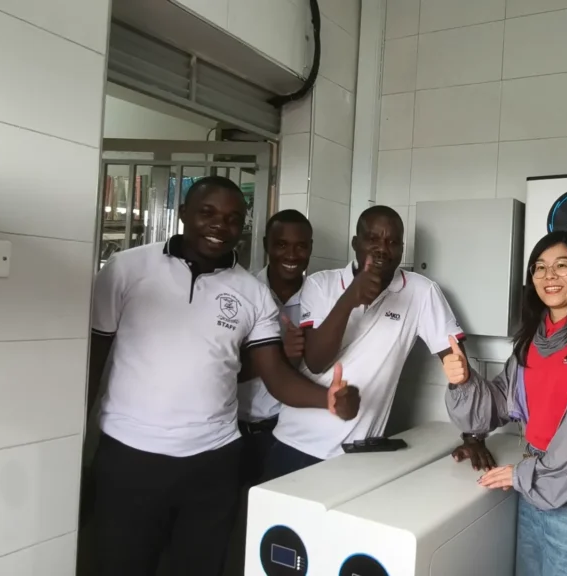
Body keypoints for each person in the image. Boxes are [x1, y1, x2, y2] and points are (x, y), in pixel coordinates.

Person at [87, 176, 360, 576]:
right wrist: (72, 443)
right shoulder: (127, 268)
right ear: (182, 214)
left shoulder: (252, 294)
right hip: (130, 455)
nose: (220, 225)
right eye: (208, 213)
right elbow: (94, 360)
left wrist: (327, 400)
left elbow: (274, 374)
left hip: (213, 462)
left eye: (233, 219)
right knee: (120, 564)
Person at [441, 230, 567, 576]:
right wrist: (464, 381)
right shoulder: (533, 340)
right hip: (535, 489)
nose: (550, 276)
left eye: (562, 265)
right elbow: (497, 404)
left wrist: (525, 474)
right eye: (540, 268)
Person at [263, 205, 493, 478]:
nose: (383, 248)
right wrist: (350, 298)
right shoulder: (321, 284)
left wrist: (474, 433)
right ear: (355, 243)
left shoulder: (420, 292)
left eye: (393, 242)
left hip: (359, 454)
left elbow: (457, 364)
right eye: (373, 239)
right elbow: (315, 362)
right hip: (296, 444)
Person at [236, 209, 313, 485]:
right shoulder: (243, 292)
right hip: (234, 432)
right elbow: (222, 370)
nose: (291, 255)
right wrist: (278, 355)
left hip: (291, 435)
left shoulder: (321, 298)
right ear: (266, 244)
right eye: (281, 245)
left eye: (301, 246)